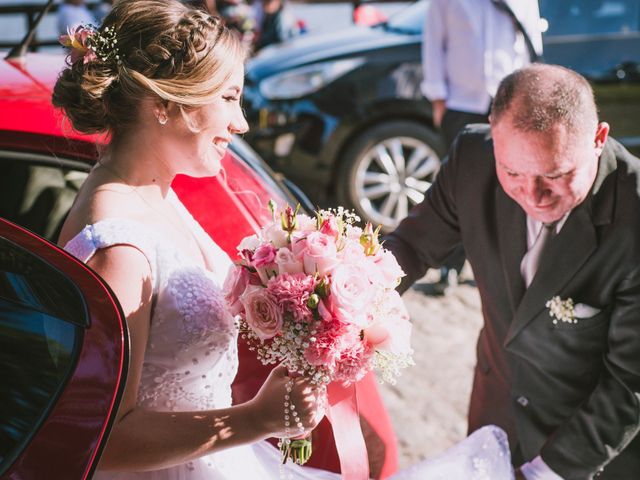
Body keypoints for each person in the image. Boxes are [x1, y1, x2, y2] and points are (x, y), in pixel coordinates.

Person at [52, 0, 513, 478]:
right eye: (228, 98)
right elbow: (102, 440)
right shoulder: (117, 250)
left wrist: (309, 315)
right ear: (165, 105)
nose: (242, 123)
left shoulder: (157, 193)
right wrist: (254, 419)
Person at [385, 63, 640, 479]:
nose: (533, 195)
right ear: (493, 131)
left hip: (588, 451)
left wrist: (542, 473)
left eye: (555, 175)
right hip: (495, 412)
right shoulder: (472, 157)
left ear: (599, 139)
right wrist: (345, 305)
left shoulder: (635, 216)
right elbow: (411, 247)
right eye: (513, 172)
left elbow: (629, 383)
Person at [421, 0, 543, 292]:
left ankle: (498, 265)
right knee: (462, 190)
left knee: (509, 188)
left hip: (508, 103)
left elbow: (530, 48)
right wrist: (438, 99)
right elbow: (433, 43)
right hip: (462, 103)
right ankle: (450, 266)